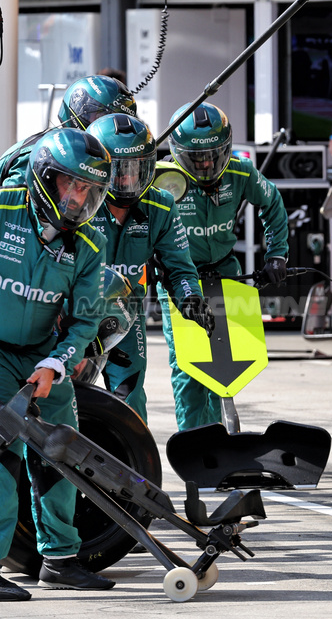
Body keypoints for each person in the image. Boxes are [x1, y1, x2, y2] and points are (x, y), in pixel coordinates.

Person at [0, 128, 112, 596]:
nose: (78, 198)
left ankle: (60, 560)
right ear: (46, 178)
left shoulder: (89, 245)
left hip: (43, 356)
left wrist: (55, 364)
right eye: (72, 184)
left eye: (89, 189)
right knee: (1, 459)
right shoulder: (3, 209)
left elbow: (86, 323)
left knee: (61, 452)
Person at [157, 102, 289, 432]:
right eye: (195, 156)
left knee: (226, 368)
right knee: (189, 367)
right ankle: (194, 442)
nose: (204, 163)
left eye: (213, 155)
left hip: (226, 273)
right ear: (176, 151)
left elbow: (272, 203)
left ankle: (221, 442)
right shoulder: (160, 179)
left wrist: (276, 255)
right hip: (178, 280)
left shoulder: (242, 171)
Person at [85, 114, 210, 422]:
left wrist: (190, 298)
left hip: (126, 317)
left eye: (136, 169)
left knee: (129, 401)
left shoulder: (163, 205)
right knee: (64, 393)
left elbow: (179, 268)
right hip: (73, 312)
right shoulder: (78, 201)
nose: (127, 179)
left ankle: (129, 468)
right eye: (118, 169)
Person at [0, 75, 137, 182]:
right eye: (102, 119)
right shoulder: (43, 153)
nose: (112, 131)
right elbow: (13, 210)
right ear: (81, 109)